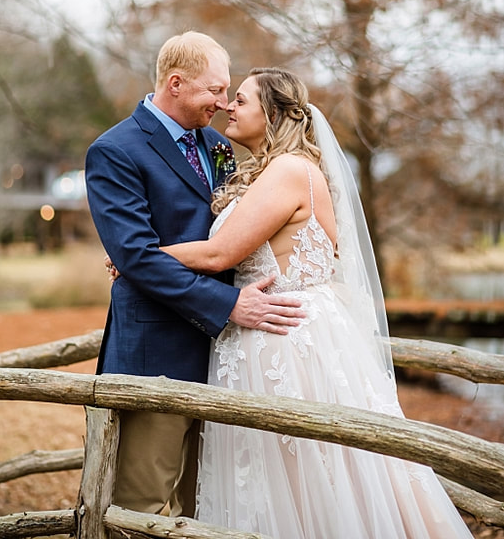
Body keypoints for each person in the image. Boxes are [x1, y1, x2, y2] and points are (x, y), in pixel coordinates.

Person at [159, 67, 472, 537]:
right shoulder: (276, 170)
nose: (228, 106)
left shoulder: (289, 171)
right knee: (286, 478)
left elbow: (220, 253)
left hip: (287, 342)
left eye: (240, 100)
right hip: (266, 332)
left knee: (307, 473)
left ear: (275, 113)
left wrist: (138, 257)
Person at [84, 32, 306, 516]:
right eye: (215, 91)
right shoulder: (115, 151)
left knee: (207, 504)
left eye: (228, 92)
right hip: (156, 355)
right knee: (138, 506)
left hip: (229, 361)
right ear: (177, 83)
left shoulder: (217, 146)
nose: (223, 104)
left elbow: (231, 240)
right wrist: (229, 305)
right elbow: (137, 259)